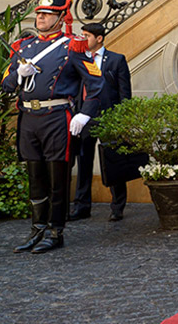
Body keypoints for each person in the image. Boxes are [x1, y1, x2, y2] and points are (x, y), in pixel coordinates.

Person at [2, 0, 103, 253]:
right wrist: (17, 75)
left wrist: (84, 114)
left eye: (47, 14)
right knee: (35, 177)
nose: (40, 18)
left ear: (60, 17)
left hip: (57, 118)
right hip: (29, 119)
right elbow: (6, 85)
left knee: (57, 178)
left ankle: (56, 231)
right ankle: (37, 228)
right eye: (39, 13)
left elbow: (96, 84)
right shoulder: (23, 47)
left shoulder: (73, 47)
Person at [70, 23, 132, 222]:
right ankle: (81, 206)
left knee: (113, 163)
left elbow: (125, 93)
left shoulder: (116, 60)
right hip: (84, 118)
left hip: (109, 119)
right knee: (83, 163)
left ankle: (117, 206)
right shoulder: (77, 60)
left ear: (99, 38)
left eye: (87, 35)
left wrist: (123, 121)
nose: (83, 39)